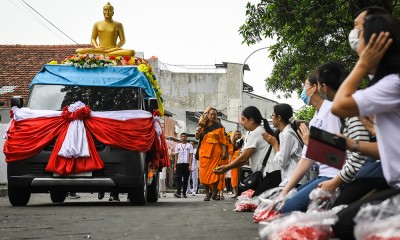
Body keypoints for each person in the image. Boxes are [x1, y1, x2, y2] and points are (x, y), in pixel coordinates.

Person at [331, 9, 400, 240]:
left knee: (344, 225)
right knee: (343, 221)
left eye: (360, 36)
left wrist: (361, 65)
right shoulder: (389, 83)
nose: (356, 42)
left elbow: (338, 105)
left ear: (375, 47)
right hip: (395, 183)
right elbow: (388, 149)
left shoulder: (392, 83)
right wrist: (354, 144)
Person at [279, 66, 344, 213]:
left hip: (335, 177)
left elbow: (338, 156)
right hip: (323, 175)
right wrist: (284, 192)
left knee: (289, 209)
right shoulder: (315, 119)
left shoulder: (332, 111)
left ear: (315, 88)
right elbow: (306, 159)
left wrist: (312, 145)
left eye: (305, 86)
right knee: (284, 204)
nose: (303, 91)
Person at [214, 106, 281, 197]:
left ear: (251, 120)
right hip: (272, 173)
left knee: (256, 203)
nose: (242, 122)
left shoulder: (255, 133)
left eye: (243, 119)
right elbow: (245, 159)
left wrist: (226, 167)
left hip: (270, 174)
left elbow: (244, 158)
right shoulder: (258, 130)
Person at [262, 103, 305, 187]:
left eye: (272, 115)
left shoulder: (287, 134)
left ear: (279, 118)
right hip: (290, 178)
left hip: (295, 180)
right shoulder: (283, 133)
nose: (272, 117)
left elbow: (282, 162)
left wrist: (275, 145)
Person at [196, 107, 227, 201]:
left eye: (215, 114)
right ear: (208, 115)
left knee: (215, 173)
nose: (213, 116)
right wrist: (197, 131)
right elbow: (197, 138)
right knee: (203, 174)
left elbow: (223, 141)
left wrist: (224, 151)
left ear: (216, 116)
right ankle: (207, 194)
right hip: (204, 153)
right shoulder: (203, 125)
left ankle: (214, 193)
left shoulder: (219, 126)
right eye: (211, 114)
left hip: (215, 154)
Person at [173, 133, 193, 198]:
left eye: (184, 136)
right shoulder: (177, 146)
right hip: (179, 164)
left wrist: (190, 165)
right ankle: (178, 192)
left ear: (186, 138)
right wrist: (175, 166)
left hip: (186, 164)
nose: (183, 138)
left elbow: (191, 156)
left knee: (186, 179)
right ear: (180, 138)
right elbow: (176, 156)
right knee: (179, 178)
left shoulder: (189, 145)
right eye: (182, 137)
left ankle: (184, 193)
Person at [230, 131, 242, 198]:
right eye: (236, 135)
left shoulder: (242, 142)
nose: (237, 136)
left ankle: (240, 192)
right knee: (234, 177)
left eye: (238, 134)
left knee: (239, 177)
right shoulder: (232, 144)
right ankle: (235, 193)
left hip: (241, 161)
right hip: (234, 161)